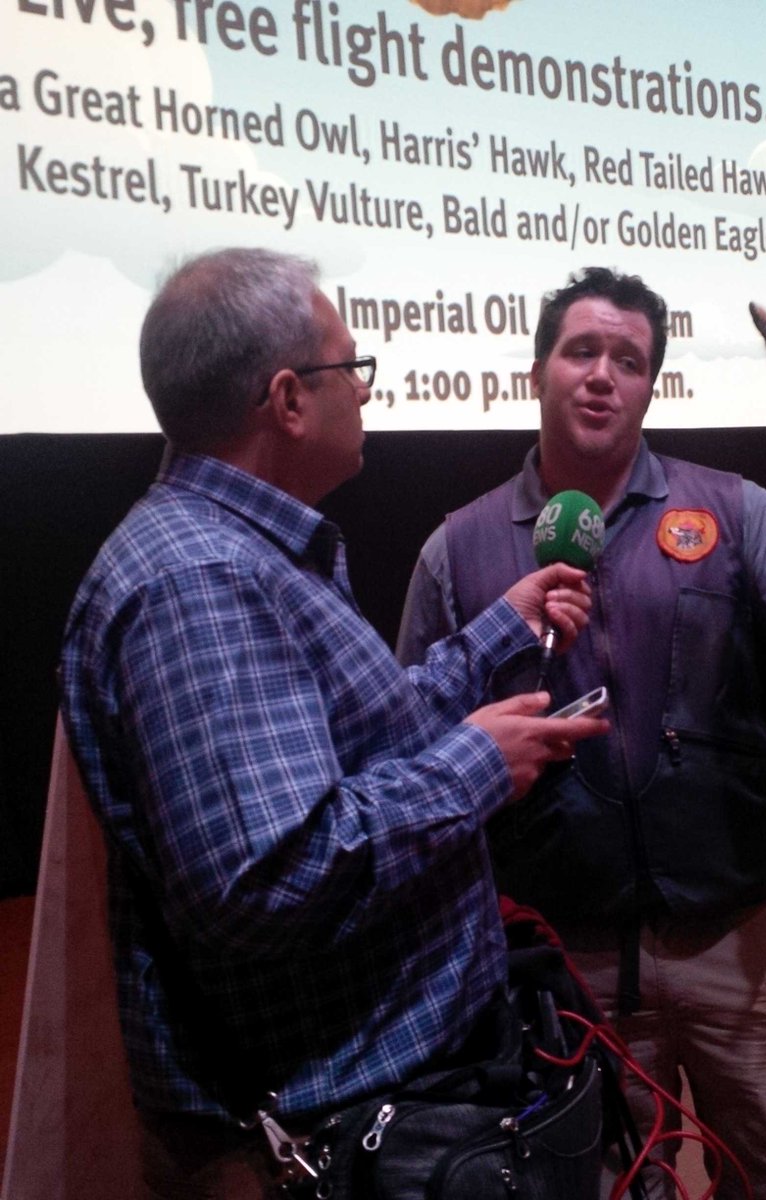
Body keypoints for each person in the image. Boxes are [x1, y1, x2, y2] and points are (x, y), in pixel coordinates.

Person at [58, 247, 608, 1199]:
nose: (364, 389)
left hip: (382, 1101)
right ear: (288, 399)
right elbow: (270, 877)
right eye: (352, 367)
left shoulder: (238, 550)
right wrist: (479, 766)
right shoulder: (204, 584)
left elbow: (371, 730)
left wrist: (501, 627)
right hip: (339, 1132)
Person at [397, 266, 766, 1199]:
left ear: (653, 384)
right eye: (581, 351)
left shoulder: (736, 509)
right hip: (563, 964)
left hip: (744, 944)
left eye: (630, 359)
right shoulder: (459, 546)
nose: (604, 374)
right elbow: (409, 745)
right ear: (537, 371)